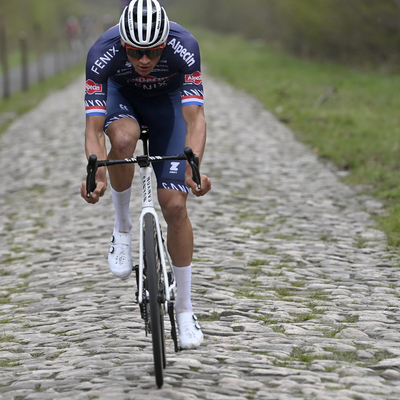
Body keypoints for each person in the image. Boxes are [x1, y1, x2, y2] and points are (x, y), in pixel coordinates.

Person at [80, 0, 211, 349]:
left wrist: (193, 165)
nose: (143, 61)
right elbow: (93, 129)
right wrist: (95, 171)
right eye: (136, 52)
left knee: (175, 207)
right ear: (123, 44)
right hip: (121, 100)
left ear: (165, 43)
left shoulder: (186, 46)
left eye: (153, 53)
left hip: (167, 105)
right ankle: (122, 227)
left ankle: (184, 310)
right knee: (123, 140)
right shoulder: (101, 52)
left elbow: (195, 118)